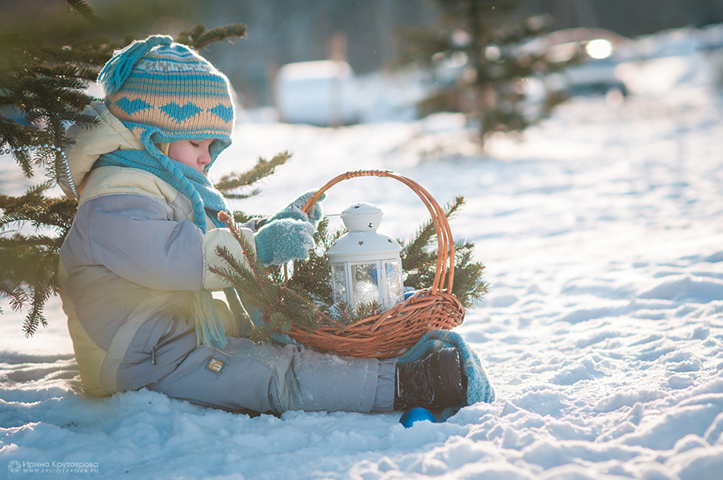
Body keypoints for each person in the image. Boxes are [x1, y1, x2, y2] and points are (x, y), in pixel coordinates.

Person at [57, 35, 467, 415]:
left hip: (179, 336)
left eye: (212, 147)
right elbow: (177, 257)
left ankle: (388, 358)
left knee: (279, 345)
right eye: (197, 143)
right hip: (141, 361)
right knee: (272, 375)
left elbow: (208, 238)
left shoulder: (154, 183)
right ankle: (406, 384)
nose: (206, 158)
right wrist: (260, 248)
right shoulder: (114, 199)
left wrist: (275, 226)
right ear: (151, 135)